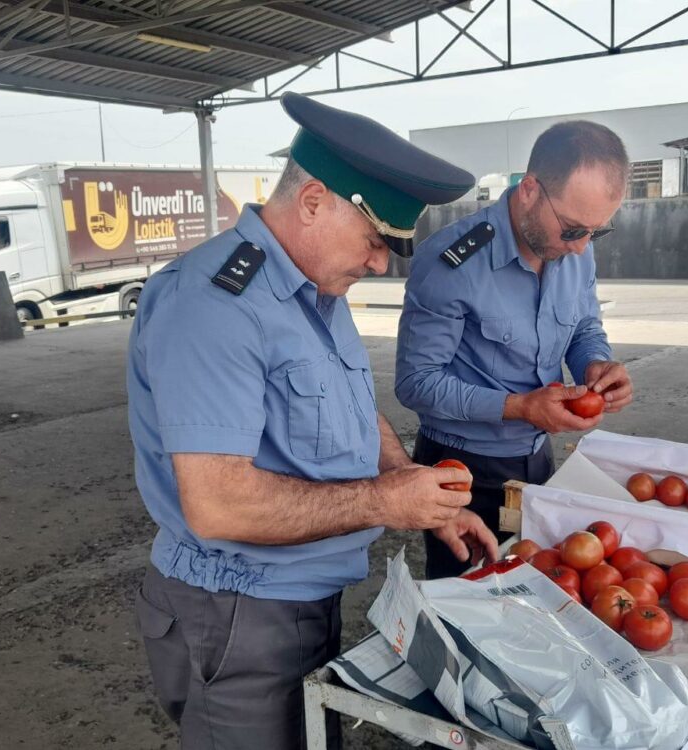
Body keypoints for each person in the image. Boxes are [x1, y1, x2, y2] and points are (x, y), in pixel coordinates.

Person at [127, 91, 498, 750]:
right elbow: (218, 504)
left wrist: (417, 492)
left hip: (300, 597)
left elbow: (351, 410)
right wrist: (384, 501)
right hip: (240, 612)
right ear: (313, 201)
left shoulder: (315, 288)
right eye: (375, 240)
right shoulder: (216, 306)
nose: (380, 263)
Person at [395, 120, 634, 579]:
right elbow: (416, 383)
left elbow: (584, 326)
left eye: (596, 232)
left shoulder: (576, 249)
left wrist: (596, 364)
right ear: (529, 190)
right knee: (466, 598)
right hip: (464, 471)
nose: (582, 247)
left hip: (538, 459)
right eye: (573, 230)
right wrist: (519, 407)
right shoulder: (453, 263)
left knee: (539, 586)